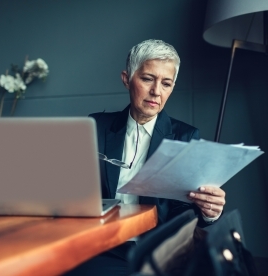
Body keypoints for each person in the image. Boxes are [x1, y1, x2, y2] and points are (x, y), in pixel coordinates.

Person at [65, 39, 226, 275]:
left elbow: (183, 208)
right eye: (148, 79)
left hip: (158, 248)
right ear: (126, 78)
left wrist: (207, 212)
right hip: (104, 247)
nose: (156, 91)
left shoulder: (185, 135)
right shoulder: (96, 126)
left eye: (166, 83)